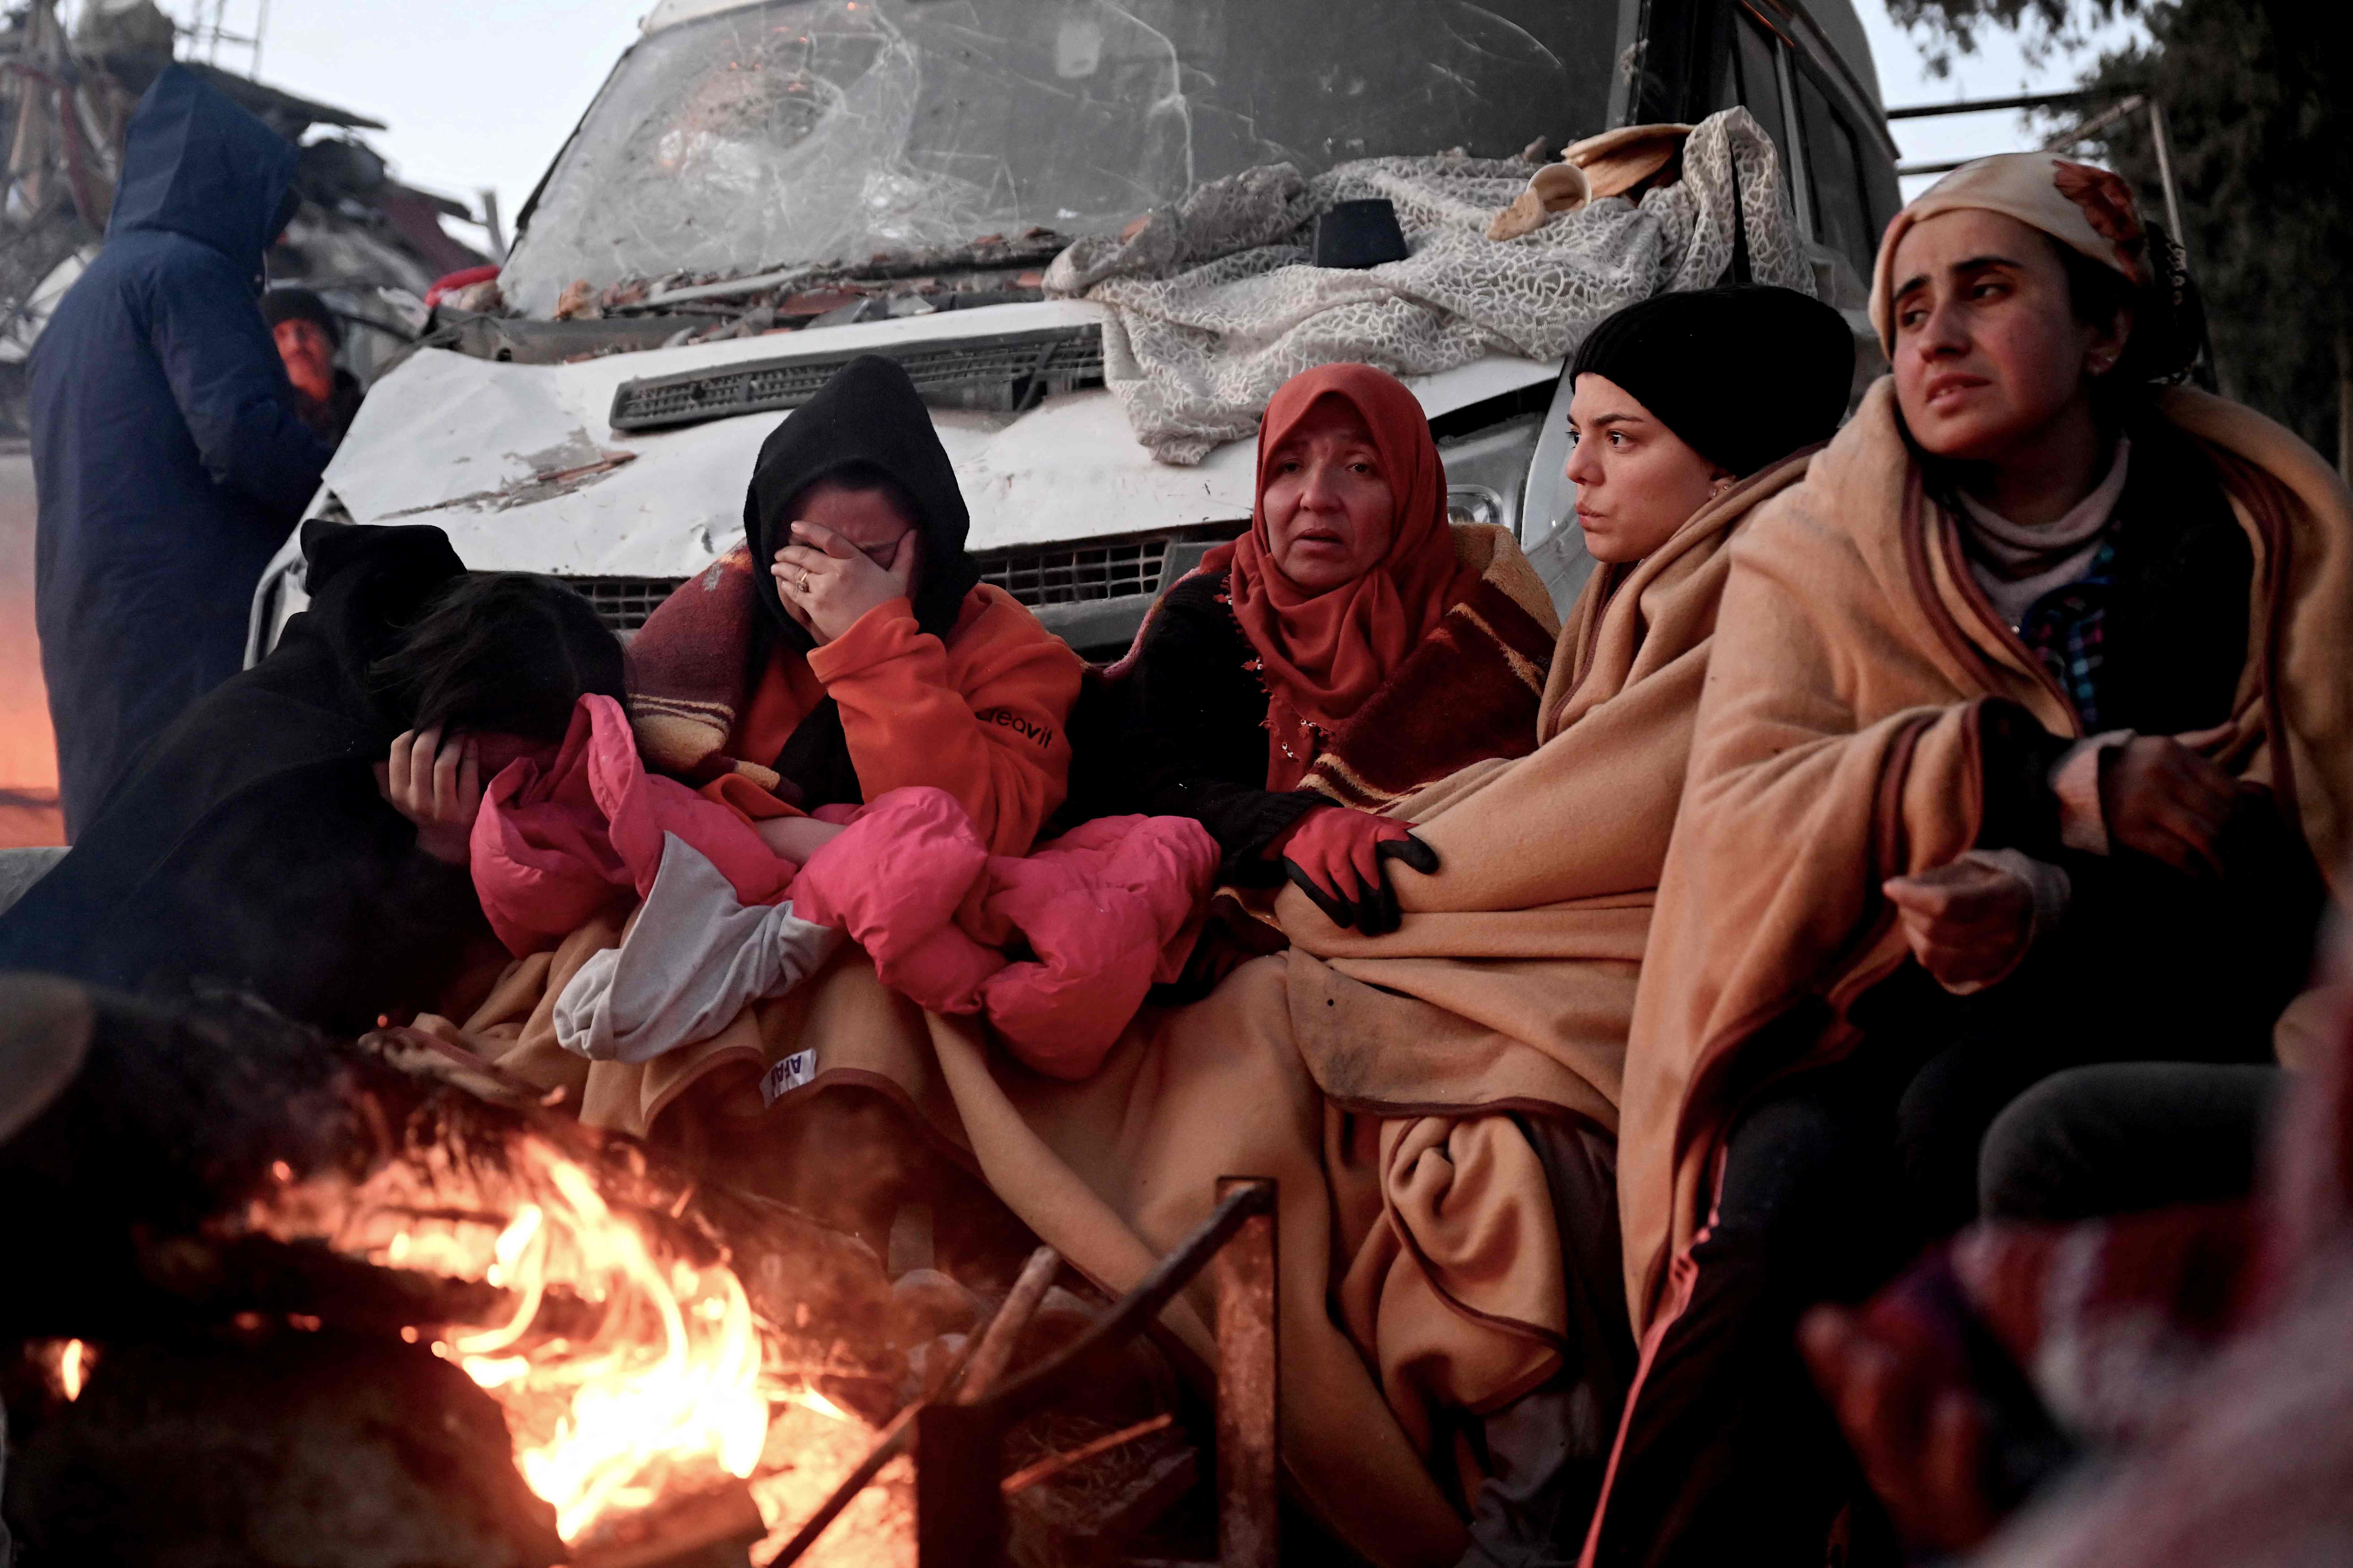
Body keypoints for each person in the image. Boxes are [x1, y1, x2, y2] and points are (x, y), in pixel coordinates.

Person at [1593, 154, 2353, 1566]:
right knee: (1773, 1215)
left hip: (2167, 995)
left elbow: (2293, 862)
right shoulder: (1814, 552)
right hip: (1856, 1010)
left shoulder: (2245, 541)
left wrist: (2049, 901)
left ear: (2107, 331)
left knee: (1972, 1131)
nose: (1933, 336)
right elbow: (1747, 824)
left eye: (1988, 294)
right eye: (1914, 304)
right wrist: (2021, 785)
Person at [0, 521, 625, 1036]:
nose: (516, 800)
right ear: (437, 738)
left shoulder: (350, 662)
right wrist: (438, 856)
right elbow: (327, 1011)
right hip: (70, 1053)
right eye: (498, 776)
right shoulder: (295, 793)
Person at [1069, 362, 1560, 936]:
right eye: (1290, 467)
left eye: (1359, 467)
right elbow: (1139, 780)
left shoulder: (1482, 626)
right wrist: (1293, 828)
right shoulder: (1205, 615)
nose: (1316, 498)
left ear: (1411, 489)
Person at [29, 65, 335, 837]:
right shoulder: (190, 274)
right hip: (191, 612)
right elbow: (240, 435)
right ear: (227, 187)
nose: (273, 238)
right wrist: (346, 493)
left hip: (96, 621)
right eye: (268, 213)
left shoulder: (78, 307)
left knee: (121, 842)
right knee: (213, 847)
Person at [629, 354, 1083, 857]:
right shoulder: (714, 632)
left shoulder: (1009, 652)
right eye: (811, 554)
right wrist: (786, 838)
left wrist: (874, 648)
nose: (836, 583)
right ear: (766, 546)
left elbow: (976, 839)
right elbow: (633, 801)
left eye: (871, 559)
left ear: (930, 542)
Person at [262, 287, 365, 445]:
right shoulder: (257, 437)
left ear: (332, 342)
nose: (296, 344)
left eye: (306, 330)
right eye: (280, 335)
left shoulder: (374, 414)